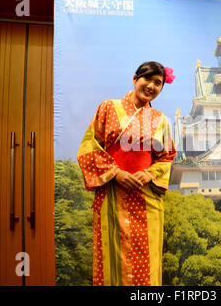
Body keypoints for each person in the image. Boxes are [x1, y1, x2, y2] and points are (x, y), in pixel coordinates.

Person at [77, 61, 177, 286]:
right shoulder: (108, 108)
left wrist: (150, 174)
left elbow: (168, 155)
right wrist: (115, 173)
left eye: (158, 83)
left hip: (146, 198)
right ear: (135, 79)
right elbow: (89, 147)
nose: (151, 86)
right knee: (111, 258)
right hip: (113, 194)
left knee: (147, 259)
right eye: (147, 79)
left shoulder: (160, 120)